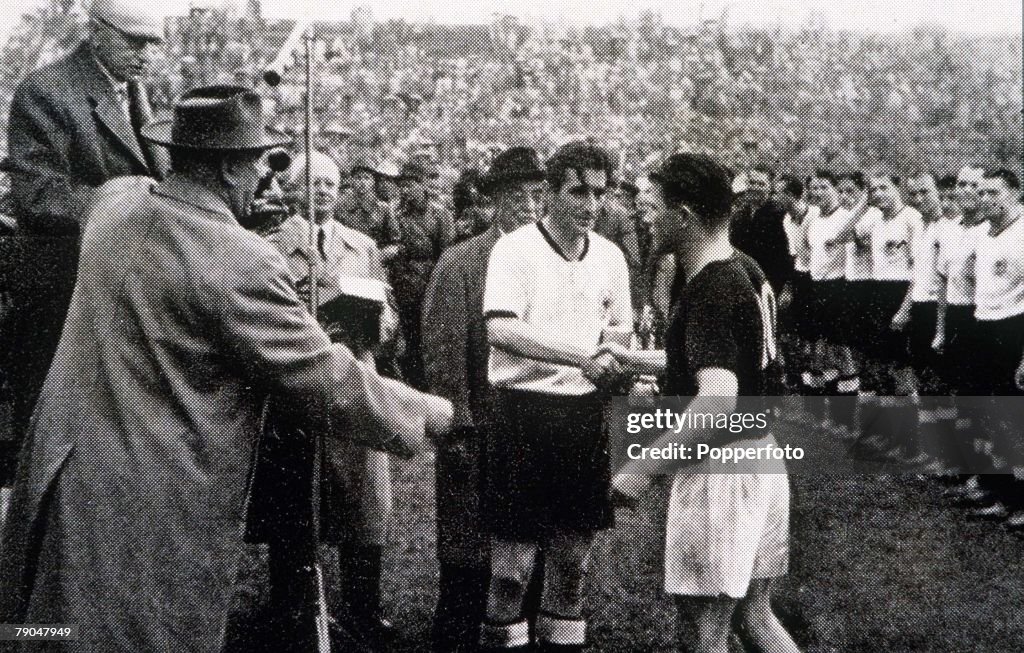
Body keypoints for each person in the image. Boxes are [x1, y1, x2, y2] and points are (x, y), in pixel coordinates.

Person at [0, 86, 452, 652]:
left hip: (63, 467)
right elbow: (320, 376)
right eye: (259, 160)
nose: (268, 175)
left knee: (47, 632)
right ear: (228, 168)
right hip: (148, 501)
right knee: (139, 638)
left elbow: (159, 209)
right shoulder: (242, 260)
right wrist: (431, 411)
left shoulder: (116, 204)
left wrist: (231, 221)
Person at [607, 152, 797, 653]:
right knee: (755, 618)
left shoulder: (711, 287)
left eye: (655, 206)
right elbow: (731, 367)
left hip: (723, 473)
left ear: (684, 215)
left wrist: (641, 470)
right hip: (762, 459)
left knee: (702, 634)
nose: (647, 217)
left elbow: (716, 401)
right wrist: (635, 360)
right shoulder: (744, 269)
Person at [1, 0, 170, 474]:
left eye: (153, 44)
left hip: (121, 287)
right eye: (134, 42)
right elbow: (38, 195)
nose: (146, 55)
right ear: (96, 31)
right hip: (65, 295)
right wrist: (128, 201)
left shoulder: (135, 89)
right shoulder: (47, 91)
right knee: (56, 445)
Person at [478, 141, 633, 653]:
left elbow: (619, 334)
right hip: (522, 414)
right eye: (577, 192)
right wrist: (580, 358)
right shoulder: (515, 248)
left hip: (583, 418)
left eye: (598, 193)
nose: (589, 205)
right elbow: (501, 329)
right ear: (550, 193)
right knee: (512, 574)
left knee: (571, 566)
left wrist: (614, 362)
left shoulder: (610, 256)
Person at [248, 150, 404, 650]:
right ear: (292, 190)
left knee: (364, 500)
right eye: (312, 183)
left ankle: (363, 608)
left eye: (331, 183)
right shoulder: (269, 246)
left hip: (357, 379)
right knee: (296, 498)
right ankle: (292, 606)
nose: (324, 192)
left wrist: (380, 325)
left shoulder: (362, 245)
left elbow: (390, 311)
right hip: (301, 386)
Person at [422, 147, 546, 653]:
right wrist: (458, 433)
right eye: (515, 195)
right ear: (493, 200)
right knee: (469, 568)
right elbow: (444, 360)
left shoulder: (549, 262)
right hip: (479, 439)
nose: (528, 206)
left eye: (537, 195)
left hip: (536, 437)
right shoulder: (462, 263)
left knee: (527, 567)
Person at [965, 168, 1024, 526]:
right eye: (982, 193)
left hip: (1015, 330)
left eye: (993, 193)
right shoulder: (984, 235)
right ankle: (1000, 493)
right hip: (984, 326)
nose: (984, 199)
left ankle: (1021, 502)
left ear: (1015, 193)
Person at [390, 160, 456, 389]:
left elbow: (447, 258)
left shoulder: (440, 215)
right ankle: (415, 387)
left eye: (410, 184)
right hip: (404, 289)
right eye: (403, 185)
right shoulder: (396, 213)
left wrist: (437, 289)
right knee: (410, 344)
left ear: (423, 185)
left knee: (432, 343)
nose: (405, 190)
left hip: (430, 287)